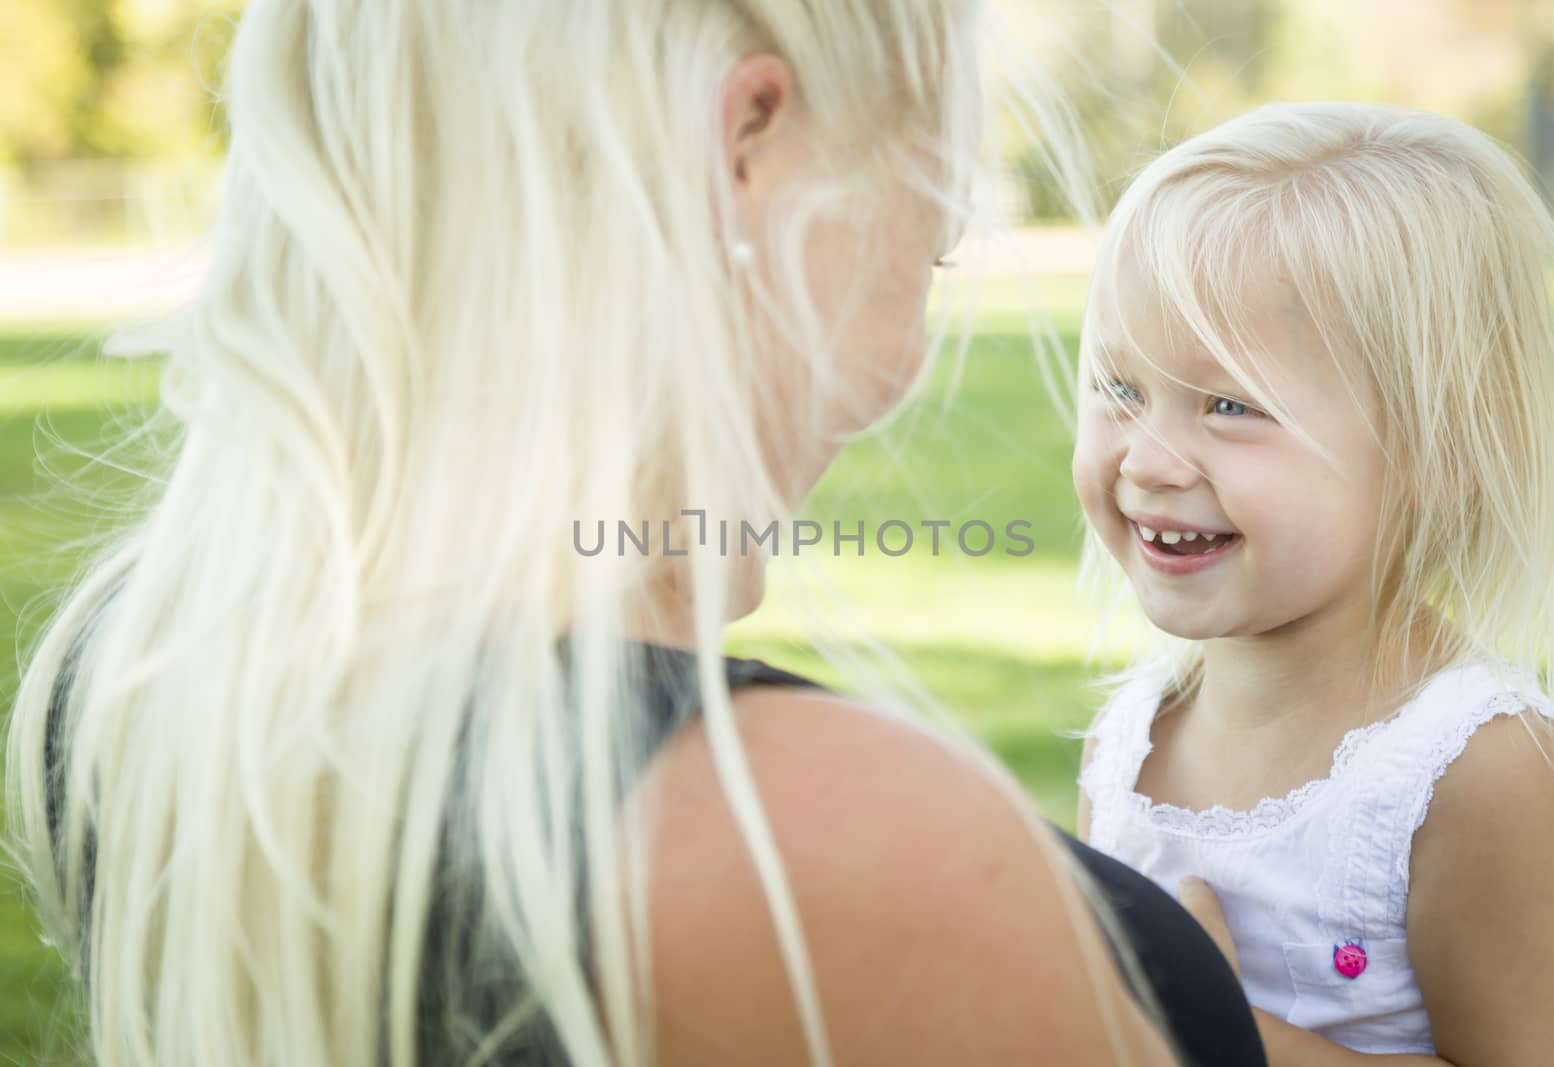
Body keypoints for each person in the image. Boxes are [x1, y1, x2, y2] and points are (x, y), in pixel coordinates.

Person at [5, 2, 1267, 1066]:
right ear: (746, 145)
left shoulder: (126, 686)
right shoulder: (824, 849)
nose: (905, 354)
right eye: (930, 246)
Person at [1072, 100, 1554, 1064]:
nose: (1147, 461)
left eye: (1229, 404)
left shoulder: (1478, 773)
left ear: (1439, 448)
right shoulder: (1127, 744)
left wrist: (1215, 1028)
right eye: (1120, 389)